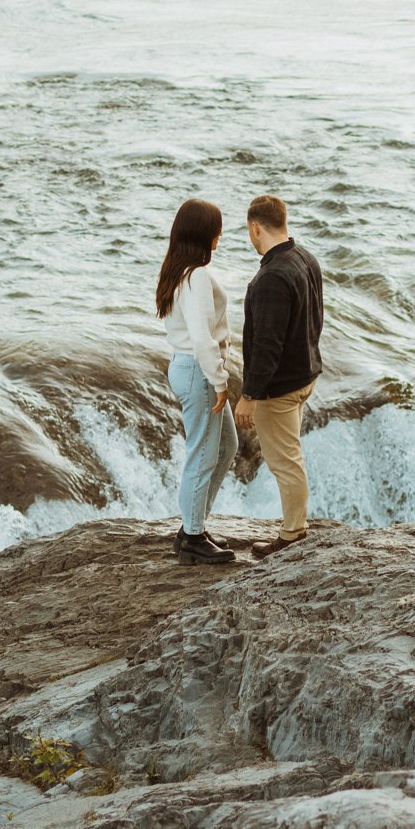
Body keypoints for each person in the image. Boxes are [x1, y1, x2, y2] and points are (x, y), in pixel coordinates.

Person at [232, 194, 323, 558]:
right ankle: (296, 525)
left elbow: (267, 345)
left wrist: (249, 396)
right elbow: (314, 319)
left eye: (248, 231)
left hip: (281, 388)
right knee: (291, 455)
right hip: (305, 375)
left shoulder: (271, 277)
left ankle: (293, 534)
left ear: (256, 228)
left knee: (285, 462)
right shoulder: (305, 258)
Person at [155, 198, 239, 566]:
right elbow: (203, 337)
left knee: (225, 447)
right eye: (217, 227)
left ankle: (194, 523)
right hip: (198, 369)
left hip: (186, 366)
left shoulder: (179, 271)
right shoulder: (197, 275)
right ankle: (192, 536)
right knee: (203, 454)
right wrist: (220, 381)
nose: (221, 233)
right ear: (203, 233)